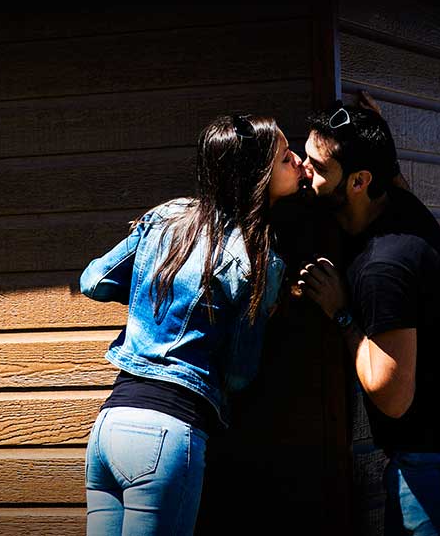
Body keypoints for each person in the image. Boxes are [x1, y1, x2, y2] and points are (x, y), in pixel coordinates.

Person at [79, 113, 305, 536]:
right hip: (167, 433)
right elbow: (239, 373)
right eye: (284, 157)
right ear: (257, 175)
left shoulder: (168, 217)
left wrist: (158, 292)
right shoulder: (257, 260)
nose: (297, 161)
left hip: (109, 424)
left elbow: (92, 280)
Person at [298, 102, 440, 535]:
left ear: (358, 181)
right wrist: (370, 123)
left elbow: (391, 395)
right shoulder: (400, 203)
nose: (303, 171)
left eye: (317, 167)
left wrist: (340, 314)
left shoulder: (383, 267)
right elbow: (389, 172)